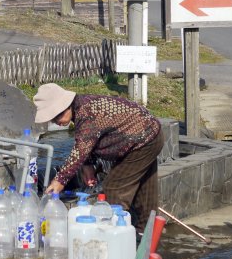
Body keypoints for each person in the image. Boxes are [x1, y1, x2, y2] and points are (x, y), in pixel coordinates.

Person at [33, 83, 163, 233]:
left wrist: (60, 180)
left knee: (115, 188)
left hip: (143, 141)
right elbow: (88, 140)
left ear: (66, 105)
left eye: (57, 116)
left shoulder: (87, 113)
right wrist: (88, 165)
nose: (56, 122)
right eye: (52, 119)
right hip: (148, 136)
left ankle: (114, 236)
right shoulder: (83, 105)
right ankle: (147, 235)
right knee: (145, 191)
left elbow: (81, 149)